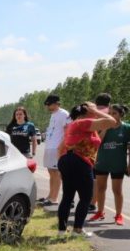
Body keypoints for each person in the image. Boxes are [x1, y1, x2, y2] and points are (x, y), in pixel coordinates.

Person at [56, 102, 118, 237]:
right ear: (88, 111)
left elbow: (60, 148)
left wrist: (62, 168)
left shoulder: (76, 125)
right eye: (94, 108)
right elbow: (112, 121)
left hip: (68, 161)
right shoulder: (83, 122)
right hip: (79, 162)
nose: (99, 110)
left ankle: (62, 230)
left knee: (67, 196)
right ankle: (77, 230)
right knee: (86, 197)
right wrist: (95, 112)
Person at [89, 104, 130, 225]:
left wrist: (129, 164)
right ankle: (100, 212)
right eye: (109, 113)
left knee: (117, 190)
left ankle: (118, 215)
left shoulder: (126, 128)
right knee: (101, 189)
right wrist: (106, 128)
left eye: (114, 113)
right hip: (102, 162)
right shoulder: (102, 126)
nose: (111, 116)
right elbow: (97, 143)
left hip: (118, 163)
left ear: (121, 115)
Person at [40, 94, 70, 206]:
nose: (47, 106)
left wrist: (61, 146)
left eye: (48, 104)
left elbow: (67, 131)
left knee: (56, 173)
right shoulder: (53, 115)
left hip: (57, 147)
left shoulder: (64, 114)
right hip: (49, 146)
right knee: (51, 172)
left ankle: (54, 198)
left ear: (55, 103)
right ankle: (50, 195)